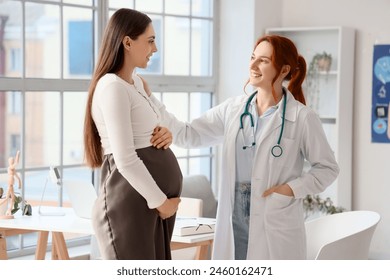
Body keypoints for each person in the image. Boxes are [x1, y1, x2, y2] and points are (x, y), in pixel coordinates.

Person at [150, 35, 340, 259]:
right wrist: (151, 100)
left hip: (274, 213)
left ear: (284, 70)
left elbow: (328, 168)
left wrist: (289, 190)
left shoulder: (302, 117)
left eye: (263, 61)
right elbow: (190, 134)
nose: (252, 65)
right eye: (252, 58)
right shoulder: (234, 109)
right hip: (234, 214)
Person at [83, 8, 181, 260]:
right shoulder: (112, 88)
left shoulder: (136, 83)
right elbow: (125, 158)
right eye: (150, 40)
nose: (155, 49)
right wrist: (161, 202)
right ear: (127, 42)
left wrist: (166, 134)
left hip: (148, 205)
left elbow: (157, 123)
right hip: (133, 204)